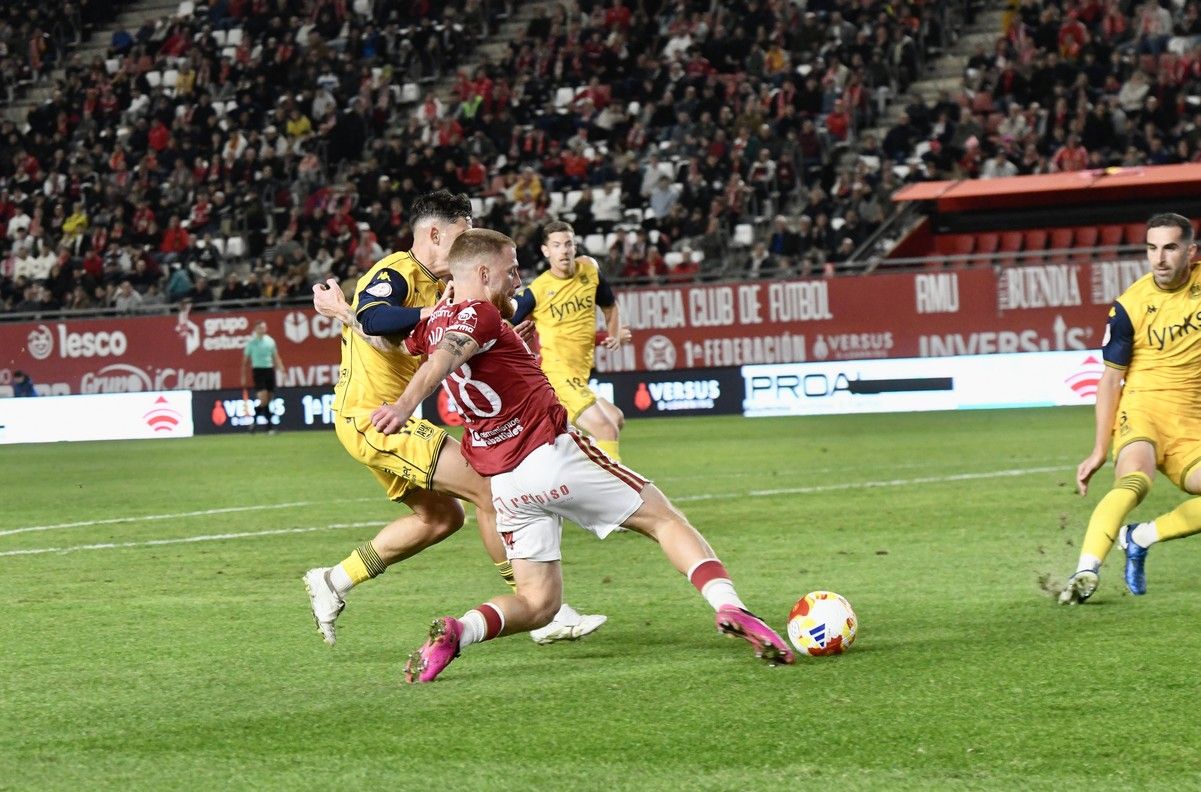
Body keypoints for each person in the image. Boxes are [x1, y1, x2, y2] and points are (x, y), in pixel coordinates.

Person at [371, 228, 794, 683]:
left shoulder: (436, 321)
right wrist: (402, 405)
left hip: (507, 484)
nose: (519, 278)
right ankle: (730, 605)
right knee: (664, 519)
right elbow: (445, 360)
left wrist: (344, 311)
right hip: (550, 453)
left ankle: (459, 631)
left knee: (538, 604)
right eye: (511, 268)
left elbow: (388, 337)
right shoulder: (478, 315)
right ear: (483, 272)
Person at [305, 191, 605, 646]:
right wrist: (426, 312)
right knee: (486, 487)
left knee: (442, 518)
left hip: (385, 419)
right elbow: (376, 319)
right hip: (376, 417)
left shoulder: (448, 285)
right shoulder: (396, 273)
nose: (470, 246)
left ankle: (333, 581)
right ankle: (541, 608)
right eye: (463, 235)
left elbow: (448, 336)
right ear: (434, 233)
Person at [1061, 213, 1201, 603]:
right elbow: (1110, 380)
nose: (1159, 258)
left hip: (1190, 424)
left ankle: (1139, 537)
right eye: (1152, 248)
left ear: (1191, 251)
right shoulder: (1130, 305)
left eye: (1170, 247)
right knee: (1135, 481)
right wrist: (1099, 448)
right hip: (1141, 409)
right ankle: (1086, 571)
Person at [512, 221, 629, 462]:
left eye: (568, 244)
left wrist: (613, 334)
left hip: (579, 375)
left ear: (575, 247)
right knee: (606, 429)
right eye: (556, 245)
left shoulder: (589, 271)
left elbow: (609, 306)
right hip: (556, 374)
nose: (564, 250)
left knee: (615, 418)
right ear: (546, 251)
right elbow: (506, 322)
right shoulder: (538, 290)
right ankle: (615, 489)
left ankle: (584, 474)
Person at [241, 320, 285, 433]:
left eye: (263, 327)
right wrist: (243, 376)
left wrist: (281, 368)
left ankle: (255, 420)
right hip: (258, 371)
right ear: (255, 329)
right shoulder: (251, 343)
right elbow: (245, 361)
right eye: (260, 327)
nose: (262, 329)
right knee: (264, 398)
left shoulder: (270, 341)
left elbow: (275, 356)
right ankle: (269, 427)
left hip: (269, 371)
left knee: (267, 400)